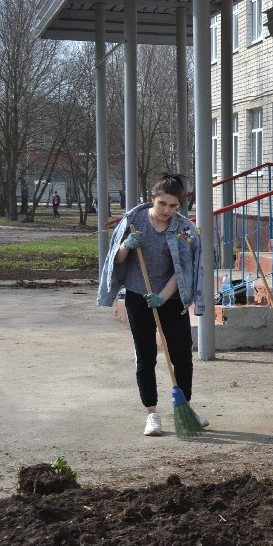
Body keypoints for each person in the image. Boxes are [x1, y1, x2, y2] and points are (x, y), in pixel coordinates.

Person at [98, 174, 207, 437]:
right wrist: (126, 244)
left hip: (170, 299)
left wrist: (163, 295)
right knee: (145, 356)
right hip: (138, 296)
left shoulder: (184, 229)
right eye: (162, 204)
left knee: (181, 355)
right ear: (152, 199)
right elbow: (118, 258)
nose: (167, 210)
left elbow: (183, 270)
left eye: (173, 206)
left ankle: (185, 408)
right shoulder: (134, 221)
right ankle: (152, 414)